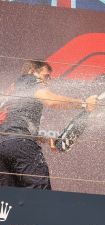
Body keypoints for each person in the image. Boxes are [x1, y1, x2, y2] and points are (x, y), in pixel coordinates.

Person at [0, 60, 98, 189]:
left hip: (3, 144)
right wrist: (85, 103)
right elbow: (51, 101)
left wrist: (36, 136)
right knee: (40, 191)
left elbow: (10, 121)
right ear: (32, 71)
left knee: (9, 198)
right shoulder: (30, 80)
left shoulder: (14, 88)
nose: (47, 81)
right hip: (19, 143)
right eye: (45, 76)